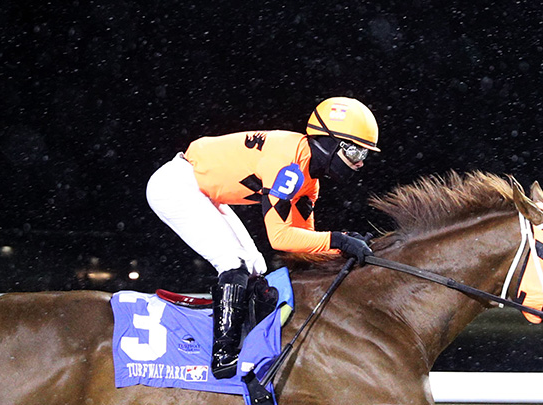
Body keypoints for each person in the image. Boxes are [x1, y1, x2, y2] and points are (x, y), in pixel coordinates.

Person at [146, 96, 379, 378]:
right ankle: (224, 357)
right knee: (234, 264)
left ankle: (242, 342)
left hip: (204, 192)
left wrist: (342, 245)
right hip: (176, 186)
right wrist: (338, 241)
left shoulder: (309, 181)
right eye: (355, 153)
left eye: (364, 155)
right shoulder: (289, 167)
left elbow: (302, 244)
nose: (360, 163)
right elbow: (280, 238)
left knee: (256, 267)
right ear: (329, 143)